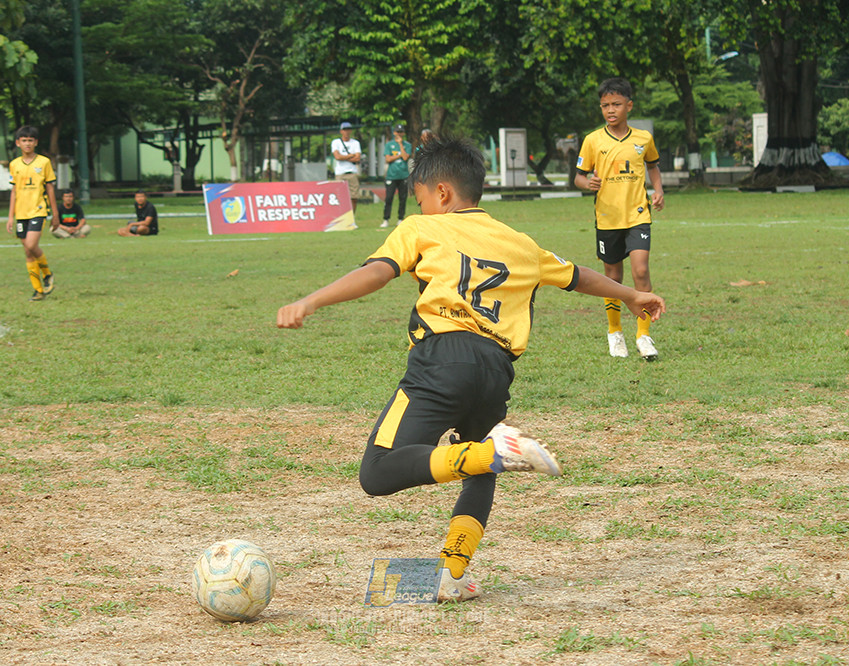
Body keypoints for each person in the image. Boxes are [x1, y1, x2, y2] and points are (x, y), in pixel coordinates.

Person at [277, 136, 665, 603]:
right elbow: (578, 274)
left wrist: (311, 300)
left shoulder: (422, 226)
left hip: (442, 361)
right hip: (496, 371)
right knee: (480, 471)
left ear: (440, 194)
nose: (418, 206)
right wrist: (632, 295)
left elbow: (379, 271)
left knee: (378, 473)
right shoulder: (520, 242)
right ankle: (451, 574)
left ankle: (492, 452)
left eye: (419, 197)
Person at [574, 77, 665, 361]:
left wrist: (658, 190)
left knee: (640, 271)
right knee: (613, 277)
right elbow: (578, 176)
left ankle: (644, 335)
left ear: (629, 105)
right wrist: (586, 183)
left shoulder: (643, 139)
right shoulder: (593, 140)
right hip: (607, 219)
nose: (610, 110)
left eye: (616, 104)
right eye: (605, 106)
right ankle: (615, 333)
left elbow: (654, 167)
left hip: (637, 214)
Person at [6, 125, 58, 301]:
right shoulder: (14, 165)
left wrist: (55, 214)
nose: (27, 144)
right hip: (21, 213)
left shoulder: (43, 162)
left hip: (38, 210)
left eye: (30, 140)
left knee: (30, 245)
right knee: (28, 252)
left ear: (35, 142)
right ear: (18, 143)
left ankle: (47, 273)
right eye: (24, 140)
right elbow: (14, 191)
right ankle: (38, 290)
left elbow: (50, 189)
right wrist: (10, 216)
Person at [381, 123, 411, 228]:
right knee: (389, 198)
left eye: (401, 132)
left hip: (403, 175)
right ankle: (386, 219)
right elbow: (388, 159)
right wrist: (399, 155)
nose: (399, 134)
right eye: (397, 132)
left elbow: (405, 158)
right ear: (394, 133)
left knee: (403, 198)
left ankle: (400, 218)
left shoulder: (407, 145)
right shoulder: (389, 145)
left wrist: (401, 145)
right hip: (391, 175)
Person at [331, 121, 363, 218]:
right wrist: (350, 155)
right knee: (340, 197)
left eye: (348, 129)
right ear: (341, 131)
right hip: (340, 172)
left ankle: (351, 218)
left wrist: (344, 156)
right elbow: (337, 157)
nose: (347, 132)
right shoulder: (336, 142)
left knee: (354, 197)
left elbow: (358, 158)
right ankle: (341, 218)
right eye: (345, 130)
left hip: (352, 172)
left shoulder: (355, 143)